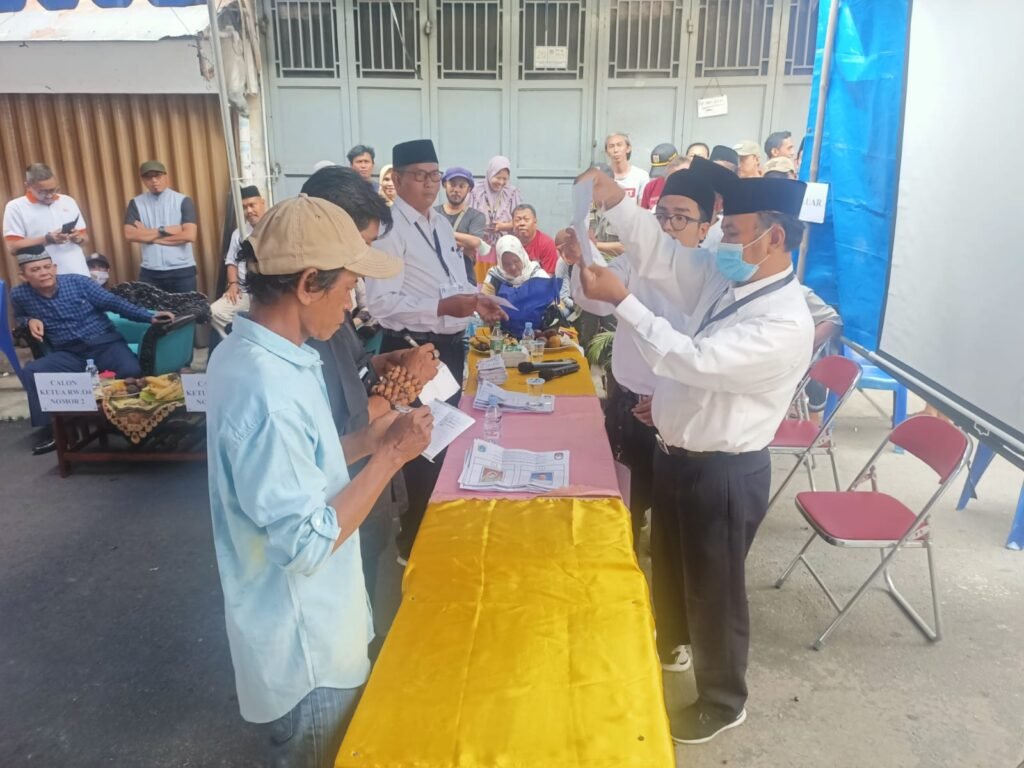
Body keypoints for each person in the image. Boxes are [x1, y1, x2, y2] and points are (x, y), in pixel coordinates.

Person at [575, 167, 813, 745]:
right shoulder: (728, 280)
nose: (721, 243)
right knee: (673, 565)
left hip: (724, 471)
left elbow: (692, 360)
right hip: (678, 452)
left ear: (775, 237)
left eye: (732, 232)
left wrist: (624, 303)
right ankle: (672, 645)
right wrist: (617, 203)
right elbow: (665, 257)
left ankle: (723, 700)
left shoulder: (782, 322)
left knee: (715, 590)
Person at [206, 193, 433, 768]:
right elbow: (305, 543)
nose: (351, 302)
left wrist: (370, 442)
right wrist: (389, 459)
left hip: (311, 626)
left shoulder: (264, 354)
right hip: (307, 653)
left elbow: (304, 462)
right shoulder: (269, 391)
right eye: (348, 286)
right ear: (309, 283)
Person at [300, 165, 441, 634]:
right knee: (349, 600)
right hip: (343, 497)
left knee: (369, 585)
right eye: (359, 247)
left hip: (363, 490)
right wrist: (403, 391)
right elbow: (346, 426)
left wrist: (390, 362)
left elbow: (356, 367)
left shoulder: (333, 305)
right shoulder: (305, 331)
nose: (360, 270)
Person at [365, 138, 506, 562]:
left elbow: (453, 282)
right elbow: (380, 304)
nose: (430, 184)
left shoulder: (441, 225)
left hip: (446, 350)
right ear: (396, 179)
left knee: (444, 442)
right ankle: (413, 545)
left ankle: (435, 532)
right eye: (419, 176)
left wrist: (476, 301)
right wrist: (442, 307)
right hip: (409, 350)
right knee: (419, 447)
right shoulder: (388, 230)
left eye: (434, 175)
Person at [563, 169, 715, 555]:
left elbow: (705, 357)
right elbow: (596, 300)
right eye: (661, 216)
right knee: (624, 499)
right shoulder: (635, 261)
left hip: (676, 412)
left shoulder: (712, 277)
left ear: (705, 228)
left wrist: (668, 397)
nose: (667, 227)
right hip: (628, 401)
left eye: (680, 218)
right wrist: (581, 260)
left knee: (670, 513)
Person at [12, 246, 173, 454]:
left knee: (131, 370)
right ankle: (53, 431)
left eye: (47, 267)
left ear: (55, 267)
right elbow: (20, 316)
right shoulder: (20, 294)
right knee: (33, 371)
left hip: (105, 344)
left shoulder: (79, 283)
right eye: (35, 270)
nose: (44, 273)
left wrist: (148, 316)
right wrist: (29, 320)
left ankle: (132, 423)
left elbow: (113, 303)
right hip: (70, 353)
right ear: (23, 276)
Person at [123, 160, 199, 293]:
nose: (154, 181)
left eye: (158, 176)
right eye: (148, 177)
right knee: (149, 306)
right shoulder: (136, 203)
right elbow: (129, 235)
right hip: (150, 271)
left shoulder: (183, 200)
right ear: (143, 180)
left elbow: (189, 235)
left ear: (166, 176)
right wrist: (164, 230)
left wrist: (148, 236)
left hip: (182, 270)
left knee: (186, 307)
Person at [4, 163, 90, 277]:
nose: (50, 195)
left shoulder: (68, 201)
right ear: (28, 186)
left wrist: (78, 238)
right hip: (44, 277)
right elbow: (13, 247)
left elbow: (85, 237)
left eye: (53, 190)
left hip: (78, 271)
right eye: (43, 192)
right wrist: (47, 239)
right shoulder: (15, 207)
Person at [209, 186, 267, 339]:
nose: (249, 211)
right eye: (244, 207)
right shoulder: (238, 233)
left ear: (262, 203)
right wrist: (233, 284)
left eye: (252, 205)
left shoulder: (273, 228)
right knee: (214, 312)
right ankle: (237, 342)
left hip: (267, 294)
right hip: (243, 293)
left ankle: (251, 339)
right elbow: (231, 262)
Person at [482, 235, 560, 338]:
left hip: (537, 335)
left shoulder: (537, 274)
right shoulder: (494, 277)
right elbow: (483, 302)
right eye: (506, 264)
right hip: (503, 335)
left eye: (516, 261)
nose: (513, 267)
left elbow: (554, 304)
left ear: (522, 255)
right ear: (500, 262)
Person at [436, 166, 490, 284]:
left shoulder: (476, 216)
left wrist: (439, 234)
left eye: (462, 186)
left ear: (469, 189)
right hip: (436, 277)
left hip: (465, 277)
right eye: (452, 185)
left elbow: (474, 242)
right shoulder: (433, 213)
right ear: (444, 185)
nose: (456, 190)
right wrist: (463, 242)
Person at [468, 155, 521, 272]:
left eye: (505, 179)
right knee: (480, 280)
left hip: (504, 249)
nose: (501, 182)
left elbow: (520, 221)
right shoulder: (475, 191)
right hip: (479, 248)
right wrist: (480, 227)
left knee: (502, 278)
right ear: (490, 174)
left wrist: (504, 226)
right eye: (498, 177)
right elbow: (466, 218)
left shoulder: (511, 193)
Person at [512, 203, 558, 274]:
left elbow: (550, 276)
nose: (522, 223)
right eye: (518, 220)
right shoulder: (509, 244)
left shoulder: (546, 244)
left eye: (526, 219)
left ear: (535, 222)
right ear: (512, 223)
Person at [605, 133, 649, 200]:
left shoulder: (641, 176)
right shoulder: (600, 177)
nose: (615, 150)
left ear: (628, 148)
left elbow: (643, 204)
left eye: (619, 145)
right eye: (611, 146)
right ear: (607, 151)